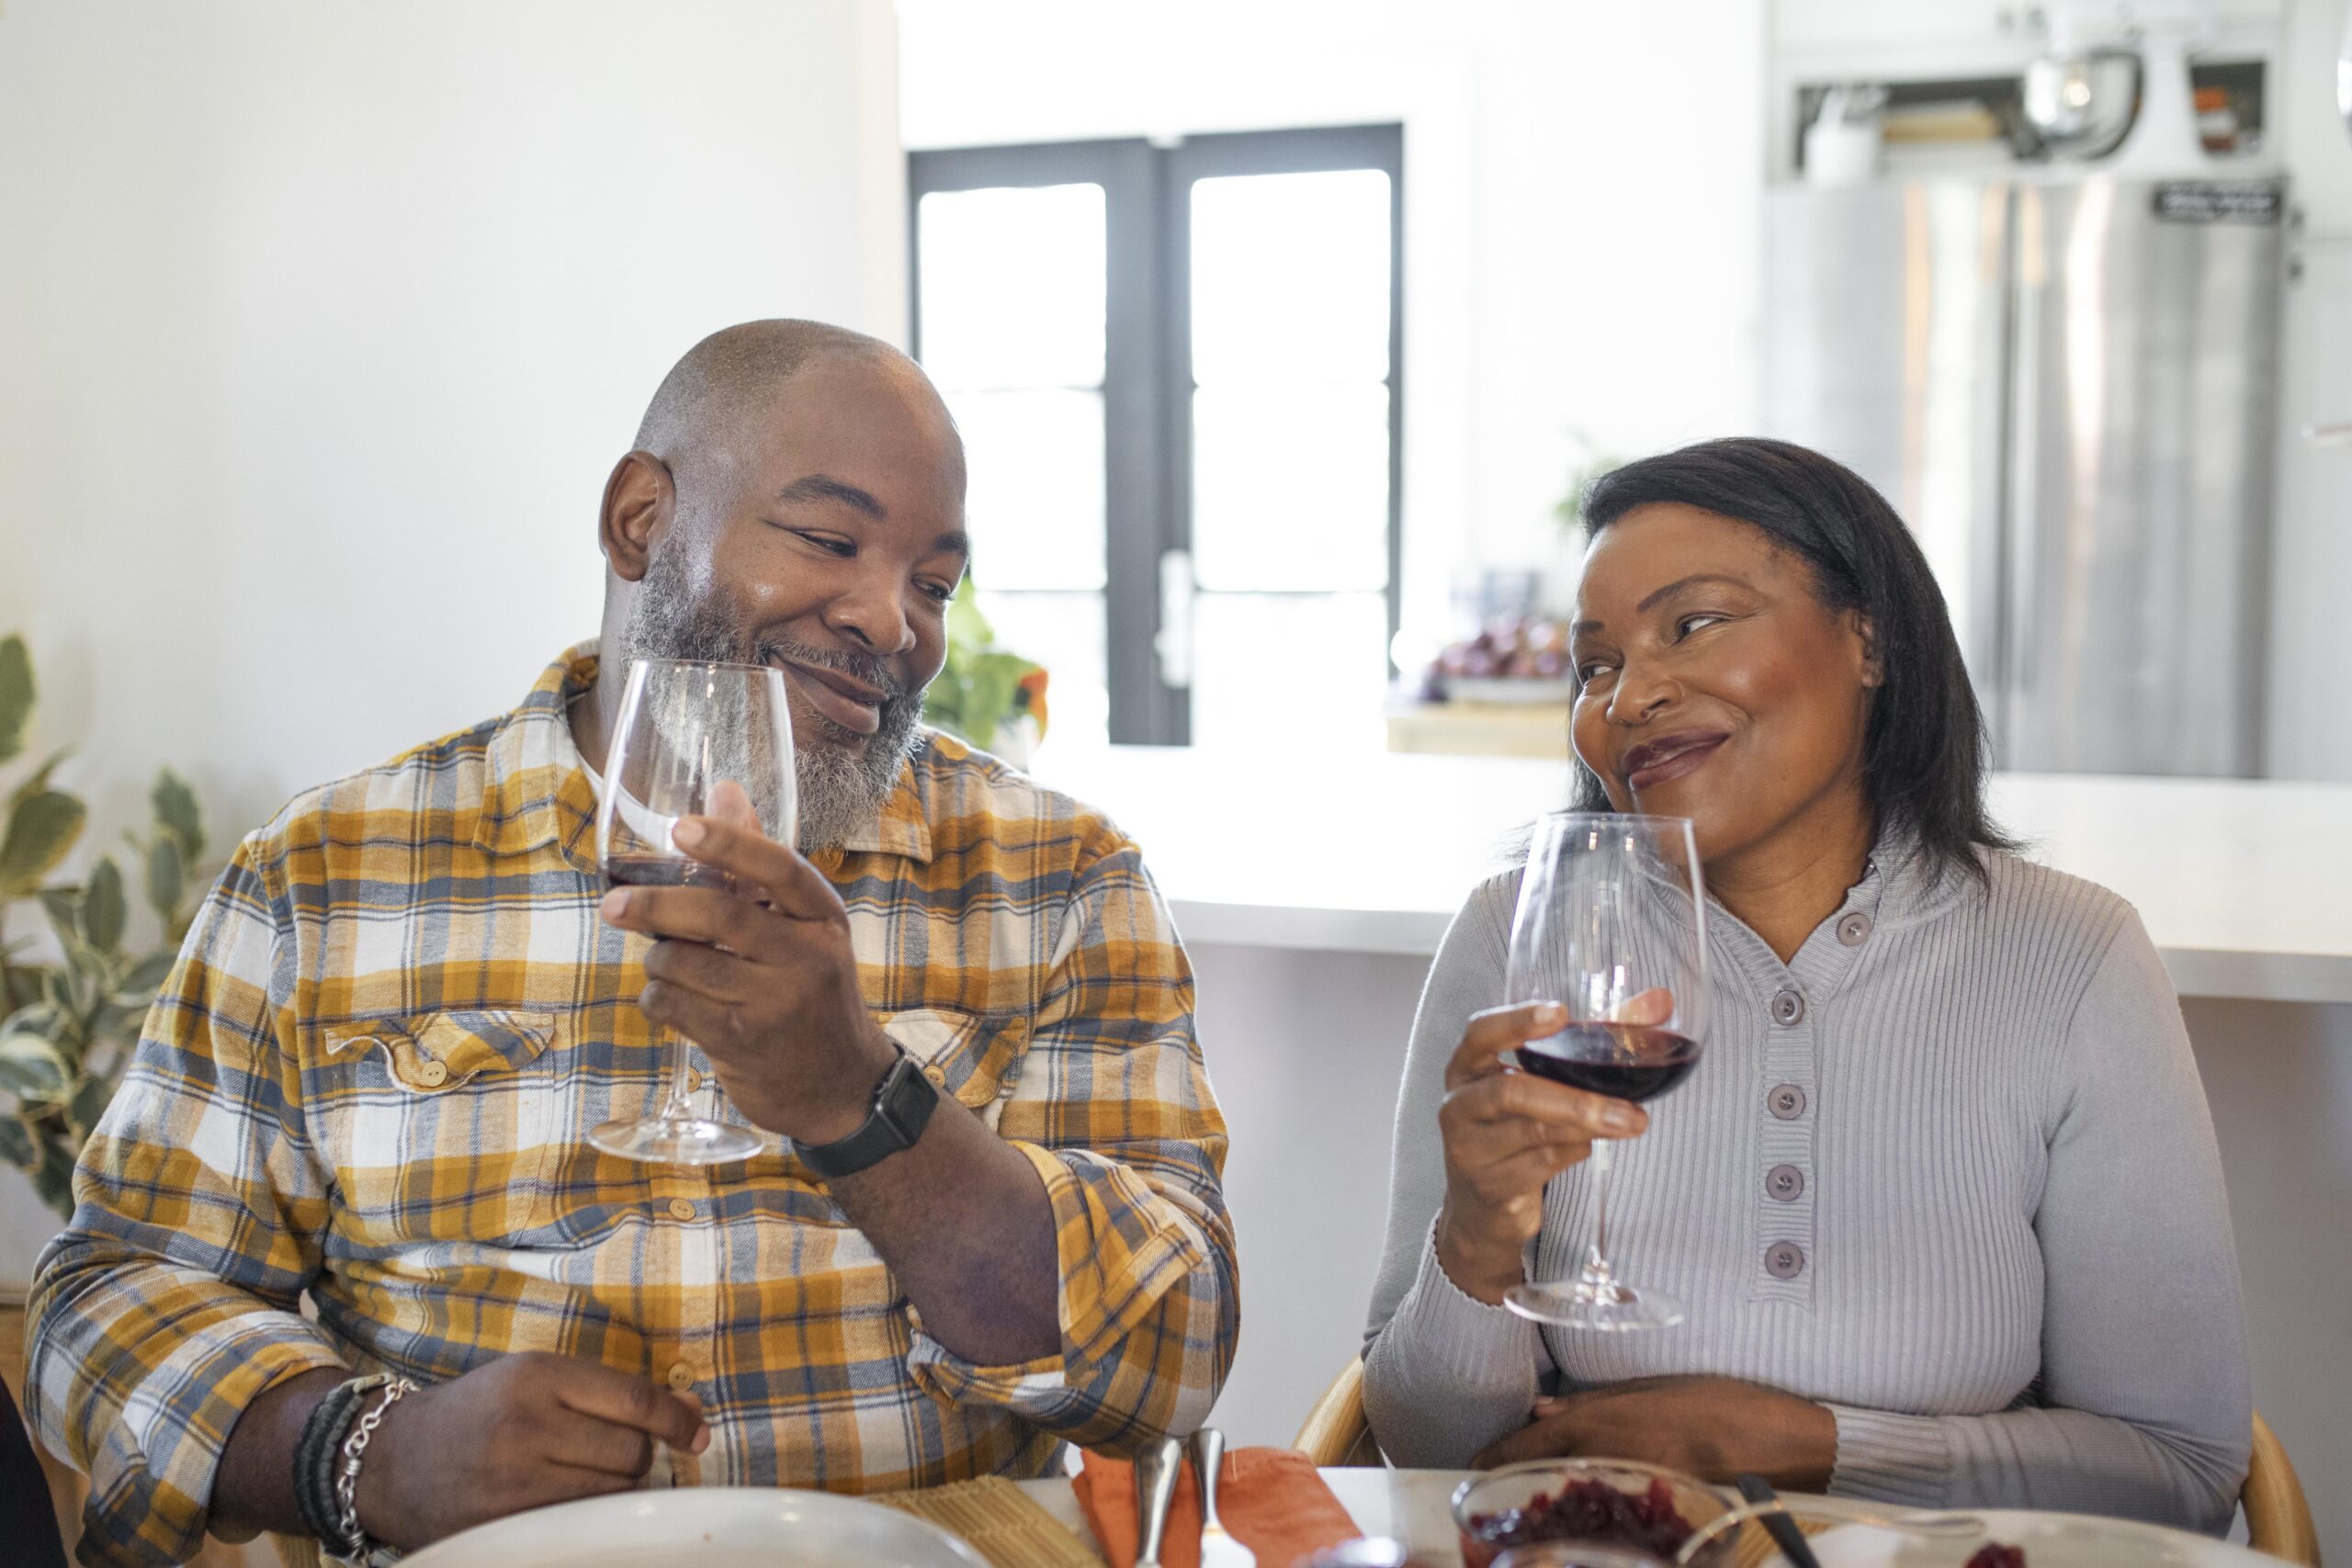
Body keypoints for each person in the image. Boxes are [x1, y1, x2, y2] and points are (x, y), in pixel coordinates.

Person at [28, 321, 1237, 1567]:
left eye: (933, 581)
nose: (893, 621)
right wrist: (363, 1450)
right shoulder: (326, 872)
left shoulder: (1062, 878)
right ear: (641, 518)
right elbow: (105, 1295)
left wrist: (864, 1099)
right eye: (831, 539)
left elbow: (1174, 1354)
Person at [1362, 438, 2249, 1529]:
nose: (1631, 695)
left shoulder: (2072, 956)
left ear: (1866, 639)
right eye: (1595, 665)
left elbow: (2178, 1474)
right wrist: (1477, 1237)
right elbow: (1423, 1452)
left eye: (1691, 625)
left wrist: (1790, 1446)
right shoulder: (1513, 936)